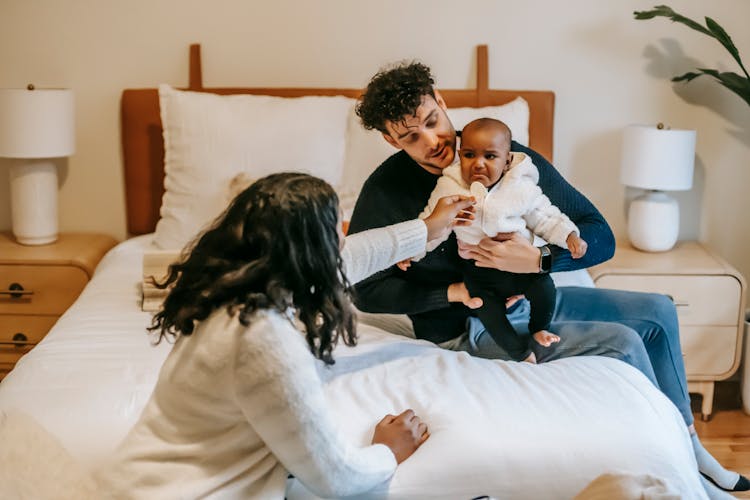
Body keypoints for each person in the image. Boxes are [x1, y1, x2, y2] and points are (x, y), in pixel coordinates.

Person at [348, 61, 749, 494]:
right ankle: (685, 476)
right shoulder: (385, 191)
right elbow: (365, 293)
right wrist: (453, 292)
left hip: (531, 291)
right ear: (391, 139)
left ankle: (691, 446)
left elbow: (600, 235)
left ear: (443, 103)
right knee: (626, 341)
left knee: (657, 310)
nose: (433, 141)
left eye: (432, 121)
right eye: (411, 136)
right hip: (471, 324)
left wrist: (539, 261)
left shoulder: (507, 155)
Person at [95, 172, 476, 498]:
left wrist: (428, 228)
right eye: (335, 233)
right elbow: (336, 478)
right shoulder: (263, 338)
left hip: (139, 481)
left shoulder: (230, 293)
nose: (343, 241)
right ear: (308, 254)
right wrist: (388, 450)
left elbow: (352, 258)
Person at [399, 117, 587, 363]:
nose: (478, 164)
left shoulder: (520, 186)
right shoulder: (449, 187)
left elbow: (544, 216)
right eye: (469, 155)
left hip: (521, 268)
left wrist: (569, 235)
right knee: (486, 310)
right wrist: (413, 250)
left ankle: (539, 328)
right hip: (480, 274)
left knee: (544, 289)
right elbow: (433, 224)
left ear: (507, 161)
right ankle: (520, 353)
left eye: (489, 157)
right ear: (460, 154)